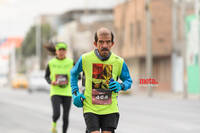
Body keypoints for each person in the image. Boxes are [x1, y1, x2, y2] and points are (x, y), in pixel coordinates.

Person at [70, 27, 132, 133]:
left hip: (110, 108)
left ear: (112, 44)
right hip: (90, 108)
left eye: (108, 42)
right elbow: (73, 73)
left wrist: (120, 86)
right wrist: (75, 93)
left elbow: (128, 81)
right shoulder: (85, 59)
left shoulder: (119, 62)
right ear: (95, 43)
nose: (104, 45)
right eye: (101, 42)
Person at [44, 42, 73, 133]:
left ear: (66, 51)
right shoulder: (51, 63)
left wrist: (71, 80)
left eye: (63, 50)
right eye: (59, 50)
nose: (61, 52)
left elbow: (77, 76)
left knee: (65, 116)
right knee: (57, 114)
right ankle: (54, 125)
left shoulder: (71, 62)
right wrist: (50, 82)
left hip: (67, 92)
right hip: (55, 92)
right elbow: (46, 76)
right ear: (56, 51)